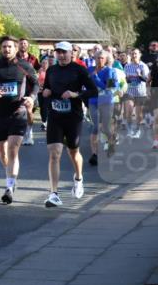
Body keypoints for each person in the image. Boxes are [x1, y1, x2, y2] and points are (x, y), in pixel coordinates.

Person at [0, 35, 38, 204]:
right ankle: (11, 176)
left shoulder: (24, 66)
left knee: (12, 150)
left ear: (16, 48)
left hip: (18, 112)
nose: (7, 49)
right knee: (3, 153)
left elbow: (35, 84)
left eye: (10, 47)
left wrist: (31, 97)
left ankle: (9, 187)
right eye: (4, 46)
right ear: (1, 48)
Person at [41, 42, 98, 207]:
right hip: (55, 115)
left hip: (73, 116)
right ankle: (53, 194)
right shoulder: (51, 70)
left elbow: (93, 90)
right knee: (54, 153)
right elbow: (47, 89)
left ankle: (78, 178)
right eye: (58, 52)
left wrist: (75, 94)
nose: (61, 55)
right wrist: (46, 92)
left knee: (73, 152)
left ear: (71, 53)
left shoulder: (79, 70)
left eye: (64, 52)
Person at [87, 49, 118, 166]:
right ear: (94, 59)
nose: (99, 60)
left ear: (106, 59)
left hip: (106, 101)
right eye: (97, 58)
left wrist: (96, 78)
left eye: (102, 58)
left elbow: (108, 88)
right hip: (93, 100)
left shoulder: (110, 71)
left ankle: (111, 143)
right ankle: (94, 154)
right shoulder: (89, 70)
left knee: (106, 127)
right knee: (95, 126)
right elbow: (85, 83)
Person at [123, 48, 150, 139]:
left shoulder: (143, 66)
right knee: (128, 112)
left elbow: (146, 79)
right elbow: (126, 80)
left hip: (140, 93)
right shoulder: (127, 66)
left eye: (135, 54)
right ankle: (130, 130)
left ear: (139, 55)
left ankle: (137, 130)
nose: (134, 55)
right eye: (132, 54)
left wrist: (139, 75)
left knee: (139, 114)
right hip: (130, 92)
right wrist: (127, 79)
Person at [17, 38, 40, 146]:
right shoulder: (14, 58)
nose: (23, 45)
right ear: (18, 45)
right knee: (19, 112)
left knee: (30, 111)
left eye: (25, 43)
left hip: (30, 89)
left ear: (28, 46)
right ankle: (19, 134)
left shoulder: (33, 59)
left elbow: (39, 71)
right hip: (19, 89)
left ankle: (29, 133)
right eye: (21, 43)